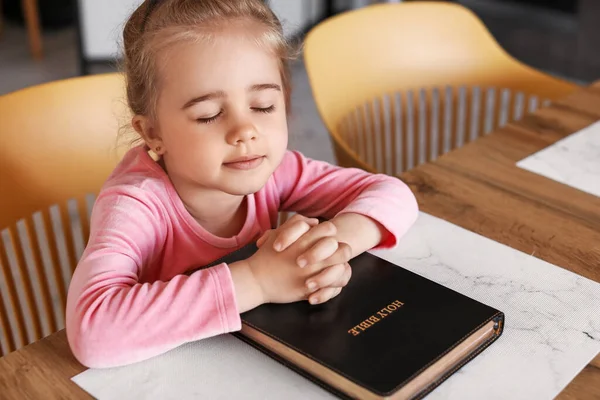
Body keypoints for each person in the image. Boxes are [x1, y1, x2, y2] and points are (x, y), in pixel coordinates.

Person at [66, 0, 419, 369]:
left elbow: (394, 195)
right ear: (153, 133)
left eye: (263, 105)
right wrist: (257, 279)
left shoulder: (275, 169)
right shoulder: (135, 203)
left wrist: (330, 247)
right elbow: (93, 334)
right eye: (209, 115)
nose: (245, 131)